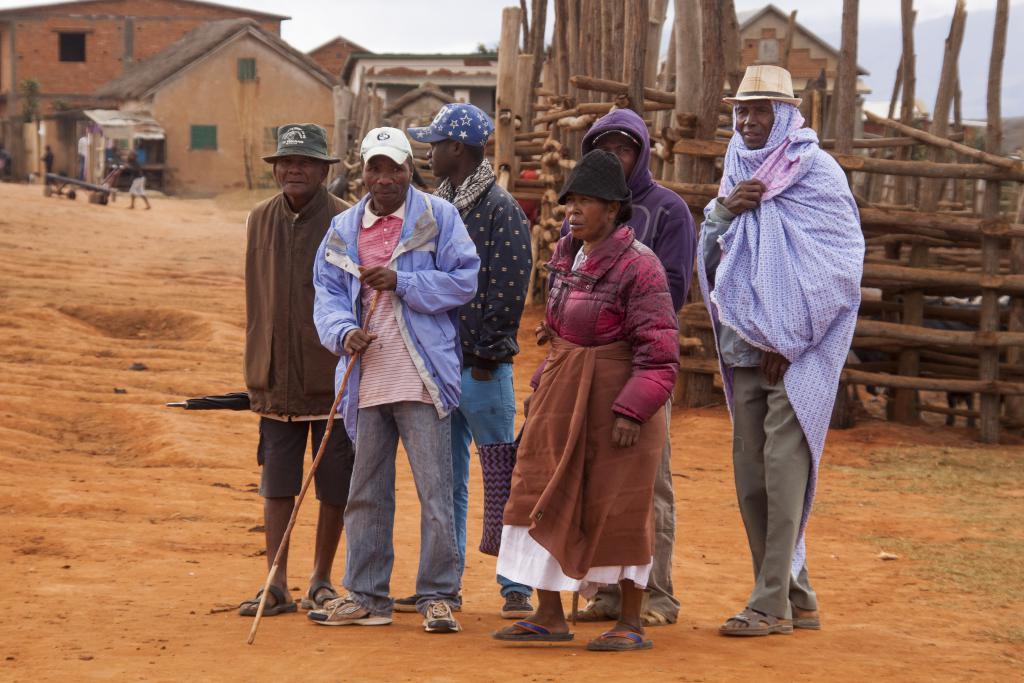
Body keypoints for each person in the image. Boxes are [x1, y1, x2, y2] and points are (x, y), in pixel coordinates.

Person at [698, 65, 863, 637]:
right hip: (743, 340)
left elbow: (841, 267)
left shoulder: (816, 171)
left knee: (782, 471)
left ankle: (770, 604)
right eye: (741, 110)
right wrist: (725, 210)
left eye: (760, 110)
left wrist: (790, 339)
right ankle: (798, 595)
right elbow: (715, 248)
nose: (747, 121)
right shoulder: (737, 165)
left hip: (798, 349)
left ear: (787, 115)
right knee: (750, 476)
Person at [492, 149, 679, 652]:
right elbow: (563, 326)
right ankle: (549, 614)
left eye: (587, 202)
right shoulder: (567, 257)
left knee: (618, 505)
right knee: (539, 491)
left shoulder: (642, 267)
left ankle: (631, 622)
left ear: (615, 210)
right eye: (570, 201)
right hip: (562, 389)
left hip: (616, 401)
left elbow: (659, 351)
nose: (573, 210)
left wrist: (632, 410)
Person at [310, 127, 480, 634]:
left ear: (411, 169)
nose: (384, 180)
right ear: (361, 172)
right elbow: (327, 294)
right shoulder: (342, 227)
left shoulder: (437, 217)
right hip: (366, 378)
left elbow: (464, 280)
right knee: (366, 490)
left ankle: (438, 595)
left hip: (423, 377)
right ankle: (366, 595)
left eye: (395, 168)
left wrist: (402, 282)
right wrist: (343, 333)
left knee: (435, 491)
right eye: (375, 169)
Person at [402, 103, 534, 618]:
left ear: (457, 149)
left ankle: (516, 586)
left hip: (481, 368)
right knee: (446, 481)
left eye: (435, 144)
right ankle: (444, 585)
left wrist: (485, 355)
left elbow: (508, 290)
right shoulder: (441, 207)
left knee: (503, 476)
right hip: (442, 365)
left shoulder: (500, 209)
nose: (429, 153)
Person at [566, 108, 696, 627]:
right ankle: (607, 593)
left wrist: (608, 308)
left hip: (640, 359)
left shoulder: (668, 210)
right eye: (603, 148)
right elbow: (566, 273)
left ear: (641, 153)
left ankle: (657, 594)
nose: (613, 157)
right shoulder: (582, 207)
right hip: (586, 367)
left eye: (623, 148)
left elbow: (674, 287)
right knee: (596, 480)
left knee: (649, 484)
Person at [237, 123, 355, 619]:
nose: (293, 169)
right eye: (286, 161)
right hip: (273, 378)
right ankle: (276, 583)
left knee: (334, 484)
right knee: (277, 483)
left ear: (325, 169)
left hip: (330, 378)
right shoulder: (259, 219)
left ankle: (322, 579)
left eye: (305, 161)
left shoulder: (346, 223)